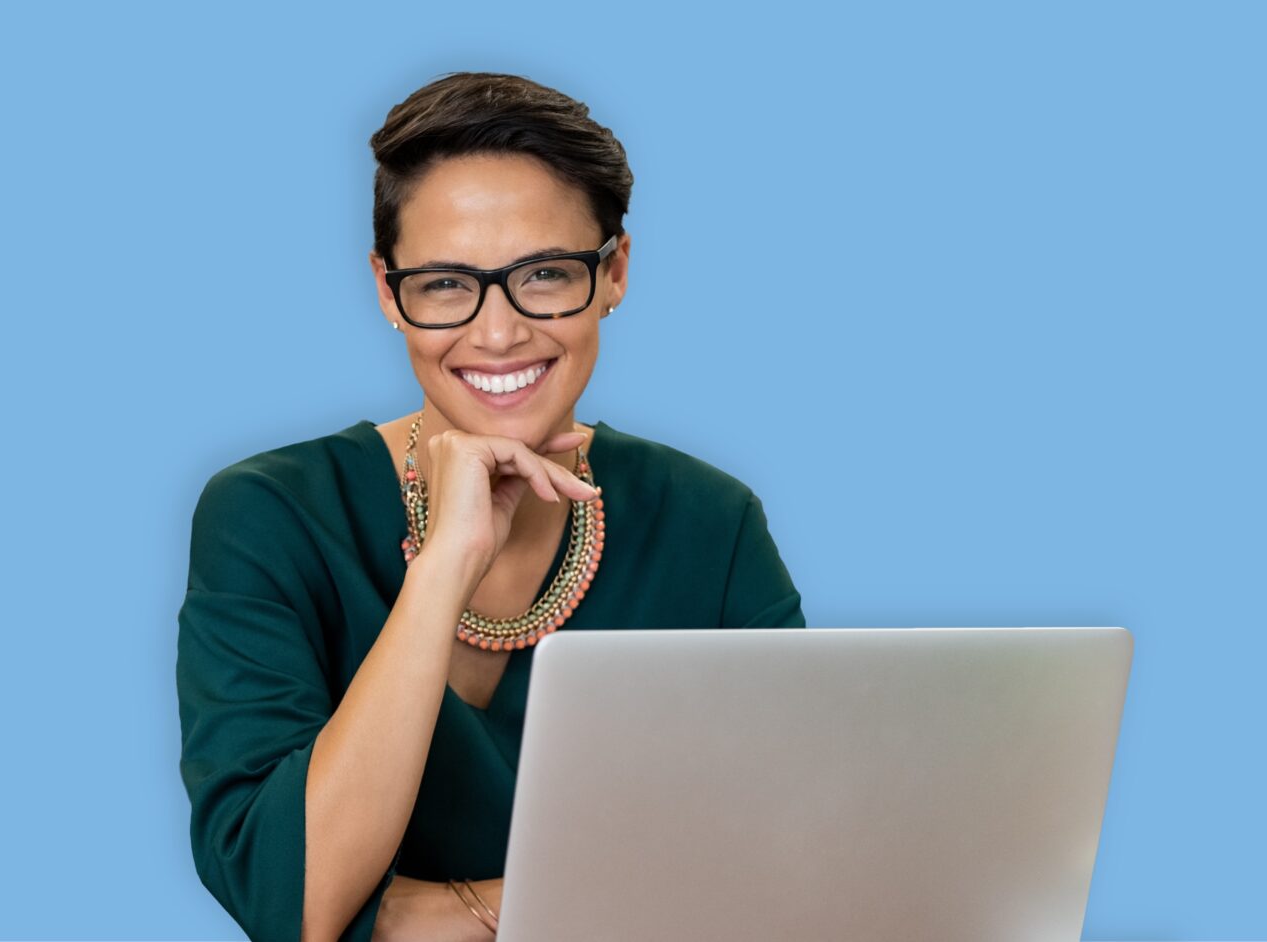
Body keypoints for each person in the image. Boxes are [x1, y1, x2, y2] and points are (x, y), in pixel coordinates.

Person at [176, 71, 807, 942]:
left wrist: (433, 916)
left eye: (544, 274)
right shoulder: (269, 515)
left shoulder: (710, 521)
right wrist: (443, 567)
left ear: (615, 270)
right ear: (386, 289)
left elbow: (788, 861)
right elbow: (295, 899)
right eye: (443, 284)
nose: (498, 331)